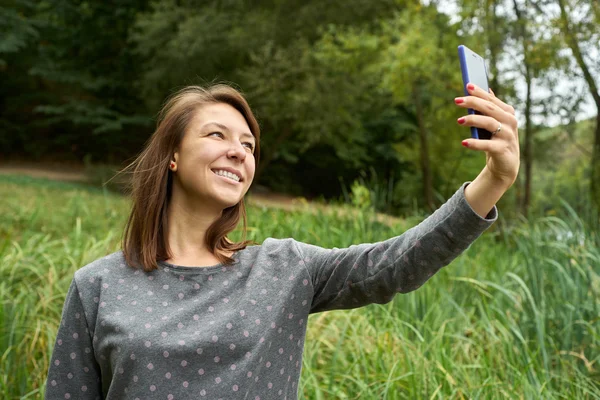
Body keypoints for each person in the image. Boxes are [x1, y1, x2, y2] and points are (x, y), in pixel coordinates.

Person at [44, 82, 519, 399]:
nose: (238, 150)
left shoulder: (283, 268)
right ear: (171, 155)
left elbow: (396, 264)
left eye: (248, 144)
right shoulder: (98, 286)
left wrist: (494, 180)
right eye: (217, 135)